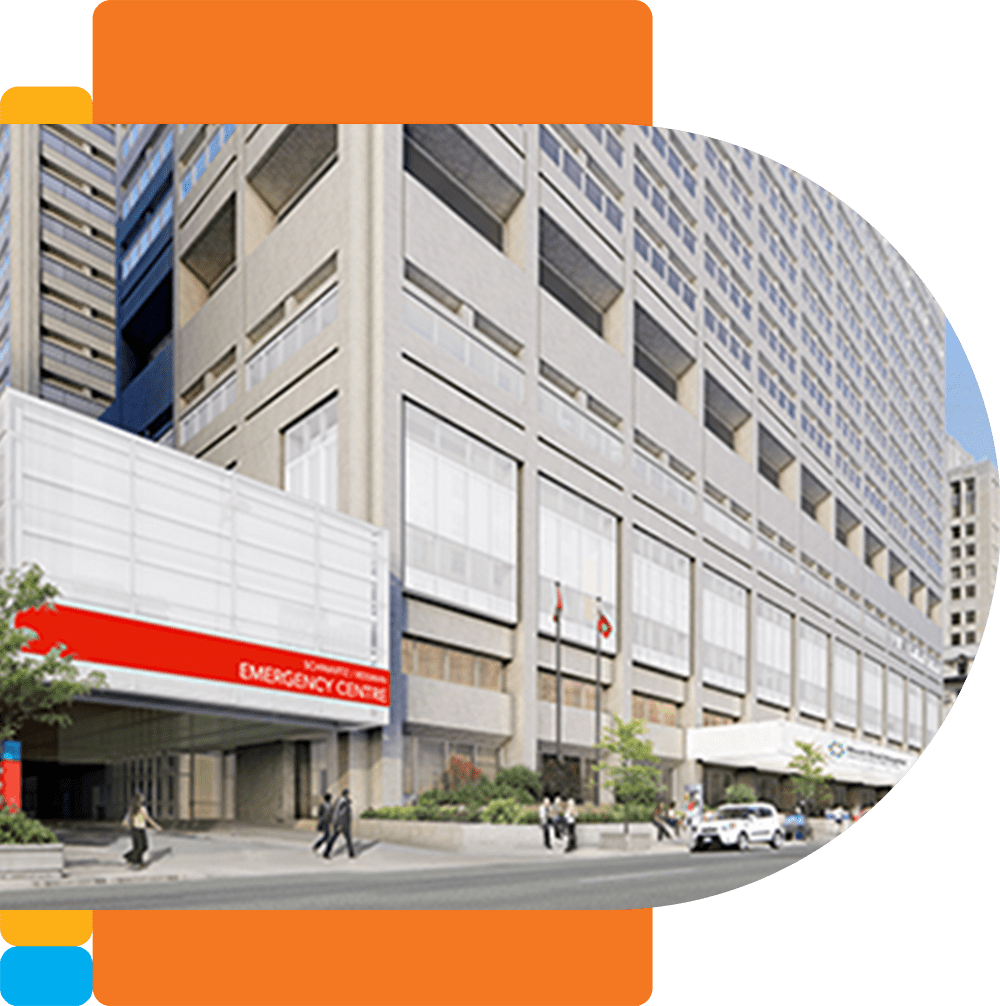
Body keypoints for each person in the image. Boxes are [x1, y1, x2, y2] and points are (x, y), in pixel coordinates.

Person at [122, 792, 161, 869]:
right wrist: (156, 826)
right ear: (138, 800)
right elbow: (148, 819)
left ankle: (131, 858)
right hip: (137, 830)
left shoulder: (133, 809)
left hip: (136, 830)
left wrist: (128, 826)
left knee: (140, 847)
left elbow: (124, 822)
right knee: (141, 847)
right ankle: (135, 860)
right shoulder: (140, 809)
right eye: (141, 798)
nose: (143, 799)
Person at [323, 788, 355, 859]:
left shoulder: (339, 800)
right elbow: (341, 814)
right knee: (337, 838)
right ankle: (326, 852)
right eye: (348, 794)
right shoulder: (344, 802)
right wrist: (340, 825)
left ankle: (351, 853)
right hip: (342, 824)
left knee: (345, 838)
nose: (349, 795)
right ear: (346, 794)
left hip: (339, 823)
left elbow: (336, 812)